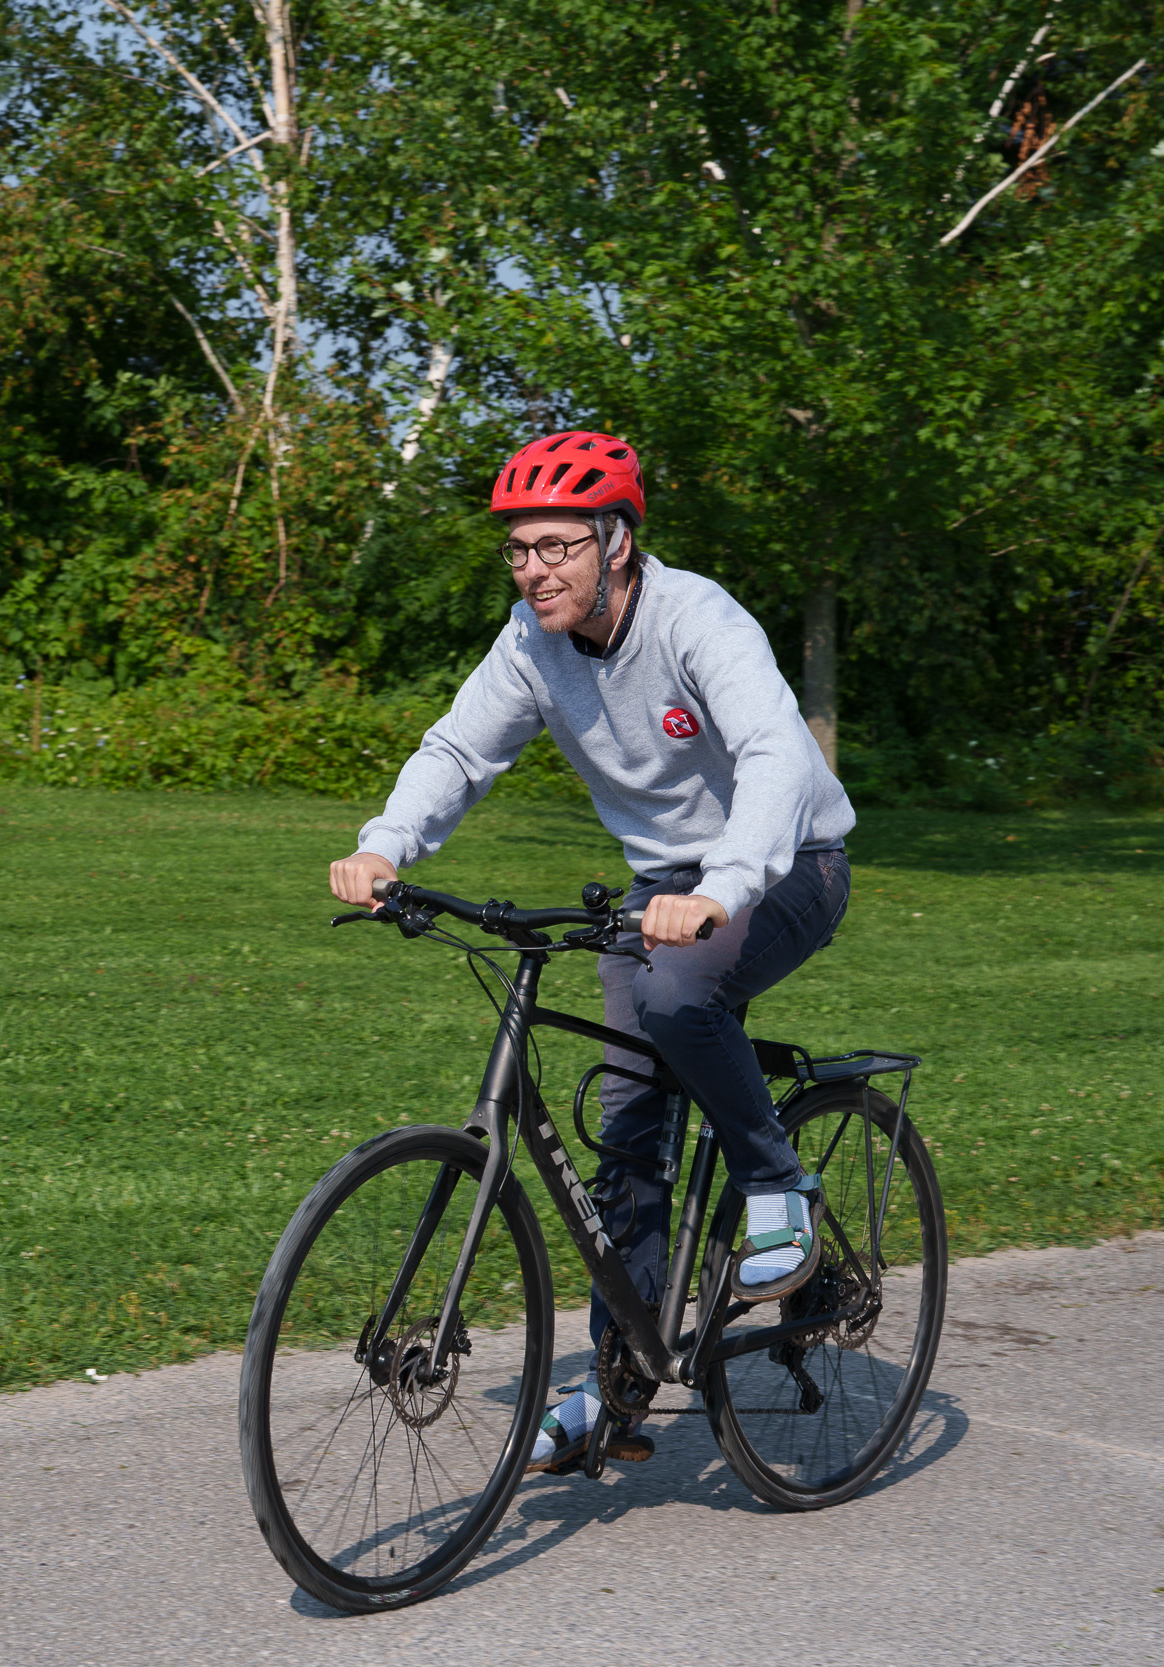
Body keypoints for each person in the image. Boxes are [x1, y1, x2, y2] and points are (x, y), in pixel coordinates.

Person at [326, 430, 855, 1475]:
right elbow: (460, 746)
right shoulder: (531, 640)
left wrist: (719, 889)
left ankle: (773, 1179)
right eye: (519, 549)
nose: (534, 568)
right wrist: (386, 842)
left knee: (674, 991)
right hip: (666, 887)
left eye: (557, 544)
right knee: (625, 1126)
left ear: (615, 541)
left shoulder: (697, 618)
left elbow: (769, 756)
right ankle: (620, 1378)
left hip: (788, 860)